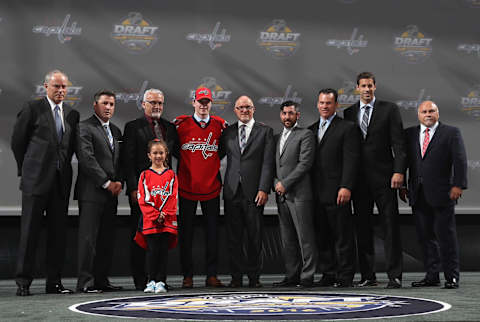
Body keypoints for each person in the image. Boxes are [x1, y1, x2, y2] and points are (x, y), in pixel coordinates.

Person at [11, 69, 79, 296]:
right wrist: (28, 169)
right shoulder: (33, 108)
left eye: (64, 87)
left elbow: (68, 149)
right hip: (35, 181)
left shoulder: (71, 114)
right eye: (56, 86)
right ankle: (23, 282)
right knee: (29, 233)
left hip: (60, 184)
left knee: (57, 236)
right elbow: (17, 142)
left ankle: (54, 282)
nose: (61, 91)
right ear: (46, 87)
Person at [344, 72, 406, 288]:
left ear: (375, 87)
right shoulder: (348, 112)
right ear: (357, 88)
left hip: (385, 178)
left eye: (370, 85)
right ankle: (368, 276)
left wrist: (399, 172)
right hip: (359, 182)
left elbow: (399, 144)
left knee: (390, 226)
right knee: (362, 228)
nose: (367, 89)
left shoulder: (389, 109)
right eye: (363, 86)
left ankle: (394, 275)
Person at [401, 101, 467, 289]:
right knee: (425, 237)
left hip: (443, 194)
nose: (428, 114)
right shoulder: (410, 133)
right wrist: (403, 186)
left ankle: (452, 276)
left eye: (431, 111)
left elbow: (460, 160)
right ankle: (432, 275)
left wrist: (458, 185)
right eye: (424, 111)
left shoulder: (451, 132)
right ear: (418, 114)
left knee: (446, 237)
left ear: (438, 113)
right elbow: (405, 161)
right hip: (417, 194)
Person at [122, 89, 179, 290]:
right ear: (143, 104)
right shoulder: (132, 127)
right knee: (142, 239)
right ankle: (142, 280)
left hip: (164, 196)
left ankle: (160, 279)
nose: (156, 106)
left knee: (162, 242)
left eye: (160, 103)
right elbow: (127, 160)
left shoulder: (170, 128)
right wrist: (132, 189)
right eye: (152, 102)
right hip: (143, 194)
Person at [220, 95, 275, 288]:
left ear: (253, 110)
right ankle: (236, 278)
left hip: (254, 192)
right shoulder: (227, 132)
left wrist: (263, 188)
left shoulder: (265, 131)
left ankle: (254, 277)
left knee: (254, 236)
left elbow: (268, 163)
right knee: (233, 238)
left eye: (248, 107)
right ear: (235, 110)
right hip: (232, 191)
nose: (244, 110)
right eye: (241, 107)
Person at [174, 87, 227, 288]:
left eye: (207, 102)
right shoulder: (181, 125)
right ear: (193, 103)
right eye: (200, 102)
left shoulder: (219, 126)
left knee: (212, 234)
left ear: (211, 104)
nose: (203, 106)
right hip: (187, 186)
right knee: (186, 234)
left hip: (211, 187)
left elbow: (221, 152)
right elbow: (177, 152)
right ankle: (187, 275)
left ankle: (211, 275)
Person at [308, 89, 360, 288]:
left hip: (338, 192)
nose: (324, 106)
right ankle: (328, 273)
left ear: (336, 105)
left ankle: (345, 276)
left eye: (328, 103)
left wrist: (346, 186)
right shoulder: (311, 130)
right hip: (316, 193)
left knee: (343, 237)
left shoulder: (347, 128)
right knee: (322, 236)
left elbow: (351, 161)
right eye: (321, 102)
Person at [74, 90, 123, 293]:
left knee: (106, 240)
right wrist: (106, 182)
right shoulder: (84, 127)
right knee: (88, 240)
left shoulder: (116, 131)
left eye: (112, 104)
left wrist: (119, 181)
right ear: (95, 105)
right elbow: (87, 159)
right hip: (92, 193)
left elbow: (119, 162)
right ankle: (85, 283)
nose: (108, 107)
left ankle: (102, 280)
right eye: (105, 103)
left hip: (111, 194)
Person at [272, 101, 317, 288]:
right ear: (280, 115)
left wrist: (285, 184)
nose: (287, 117)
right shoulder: (276, 137)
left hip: (299, 195)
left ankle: (307, 276)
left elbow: (305, 164)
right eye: (284, 113)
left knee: (305, 238)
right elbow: (275, 165)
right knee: (288, 239)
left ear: (297, 115)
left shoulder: (305, 134)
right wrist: (276, 183)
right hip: (281, 195)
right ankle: (292, 276)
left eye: (291, 114)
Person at [135, 139, 178, 293]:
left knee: (163, 251)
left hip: (166, 221)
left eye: (161, 153)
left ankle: (161, 281)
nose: (158, 156)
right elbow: (142, 198)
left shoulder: (171, 175)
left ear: (166, 154)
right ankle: (151, 280)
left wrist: (164, 214)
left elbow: (173, 197)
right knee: (152, 251)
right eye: (155, 153)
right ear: (149, 155)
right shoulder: (144, 175)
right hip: (150, 221)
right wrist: (155, 215)